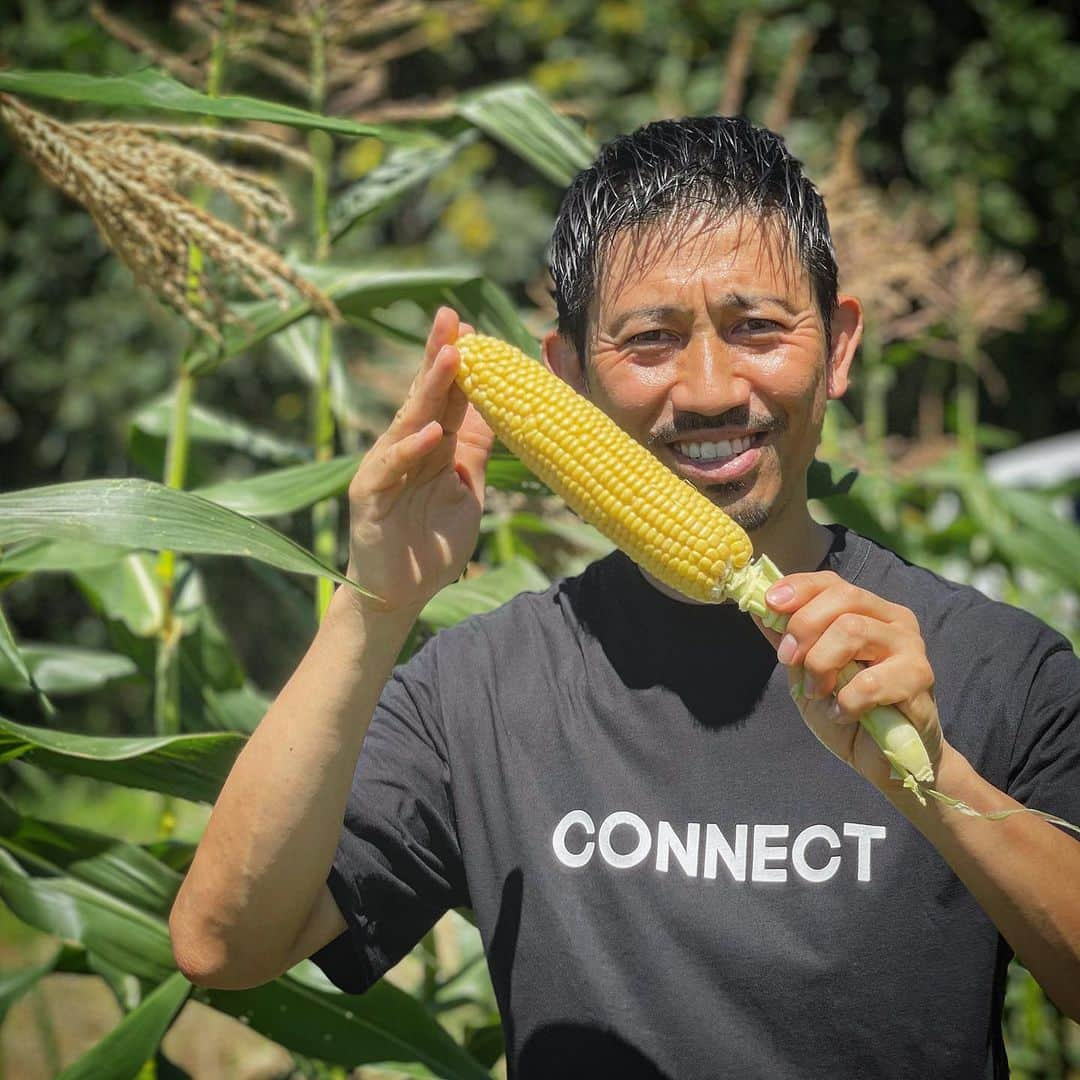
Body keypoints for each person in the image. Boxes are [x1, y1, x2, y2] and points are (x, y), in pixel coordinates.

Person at [169, 116, 1080, 1079]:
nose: (709, 388)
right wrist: (371, 605)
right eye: (649, 340)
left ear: (840, 347)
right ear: (569, 379)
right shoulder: (483, 688)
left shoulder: (991, 665)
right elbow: (225, 945)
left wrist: (936, 777)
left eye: (757, 328)